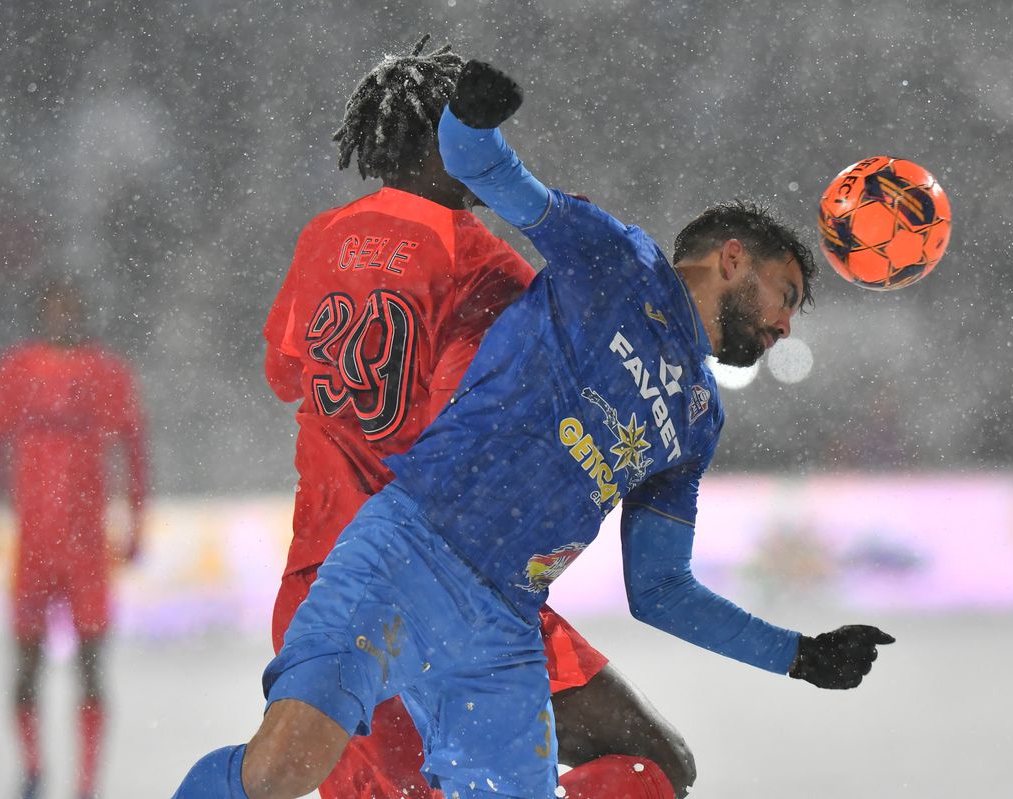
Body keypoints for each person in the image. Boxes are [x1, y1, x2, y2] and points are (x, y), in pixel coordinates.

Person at [175, 60, 894, 799]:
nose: (783, 323)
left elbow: (660, 588)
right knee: (280, 771)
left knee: (655, 768)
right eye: (785, 294)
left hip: (502, 625)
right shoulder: (616, 260)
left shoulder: (700, 418)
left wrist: (798, 655)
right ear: (733, 259)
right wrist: (472, 116)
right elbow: (485, 166)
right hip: (406, 553)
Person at [260, 37, 697, 799]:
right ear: (445, 142)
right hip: (444, 582)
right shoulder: (483, 262)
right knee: (655, 764)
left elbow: (285, 371)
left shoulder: (322, 236)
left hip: (318, 588)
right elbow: (494, 416)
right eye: (474, 128)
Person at [0, 279, 148, 799]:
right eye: (55, 310)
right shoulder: (15, 371)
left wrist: (136, 520)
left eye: (72, 310)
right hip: (34, 549)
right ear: (42, 315)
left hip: (88, 549)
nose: (63, 320)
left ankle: (86, 785)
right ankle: (32, 768)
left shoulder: (107, 373)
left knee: (92, 668)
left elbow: (135, 449)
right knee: (25, 666)